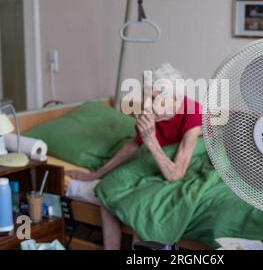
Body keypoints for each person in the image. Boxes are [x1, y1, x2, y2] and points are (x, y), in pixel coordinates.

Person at [66, 63, 203, 249]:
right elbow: (133, 145)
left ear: (174, 99)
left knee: (143, 208)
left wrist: (151, 140)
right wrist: (96, 174)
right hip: (157, 163)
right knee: (107, 198)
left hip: (182, 170)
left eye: (153, 98)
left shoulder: (192, 113)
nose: (146, 105)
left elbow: (176, 174)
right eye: (145, 97)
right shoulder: (151, 115)